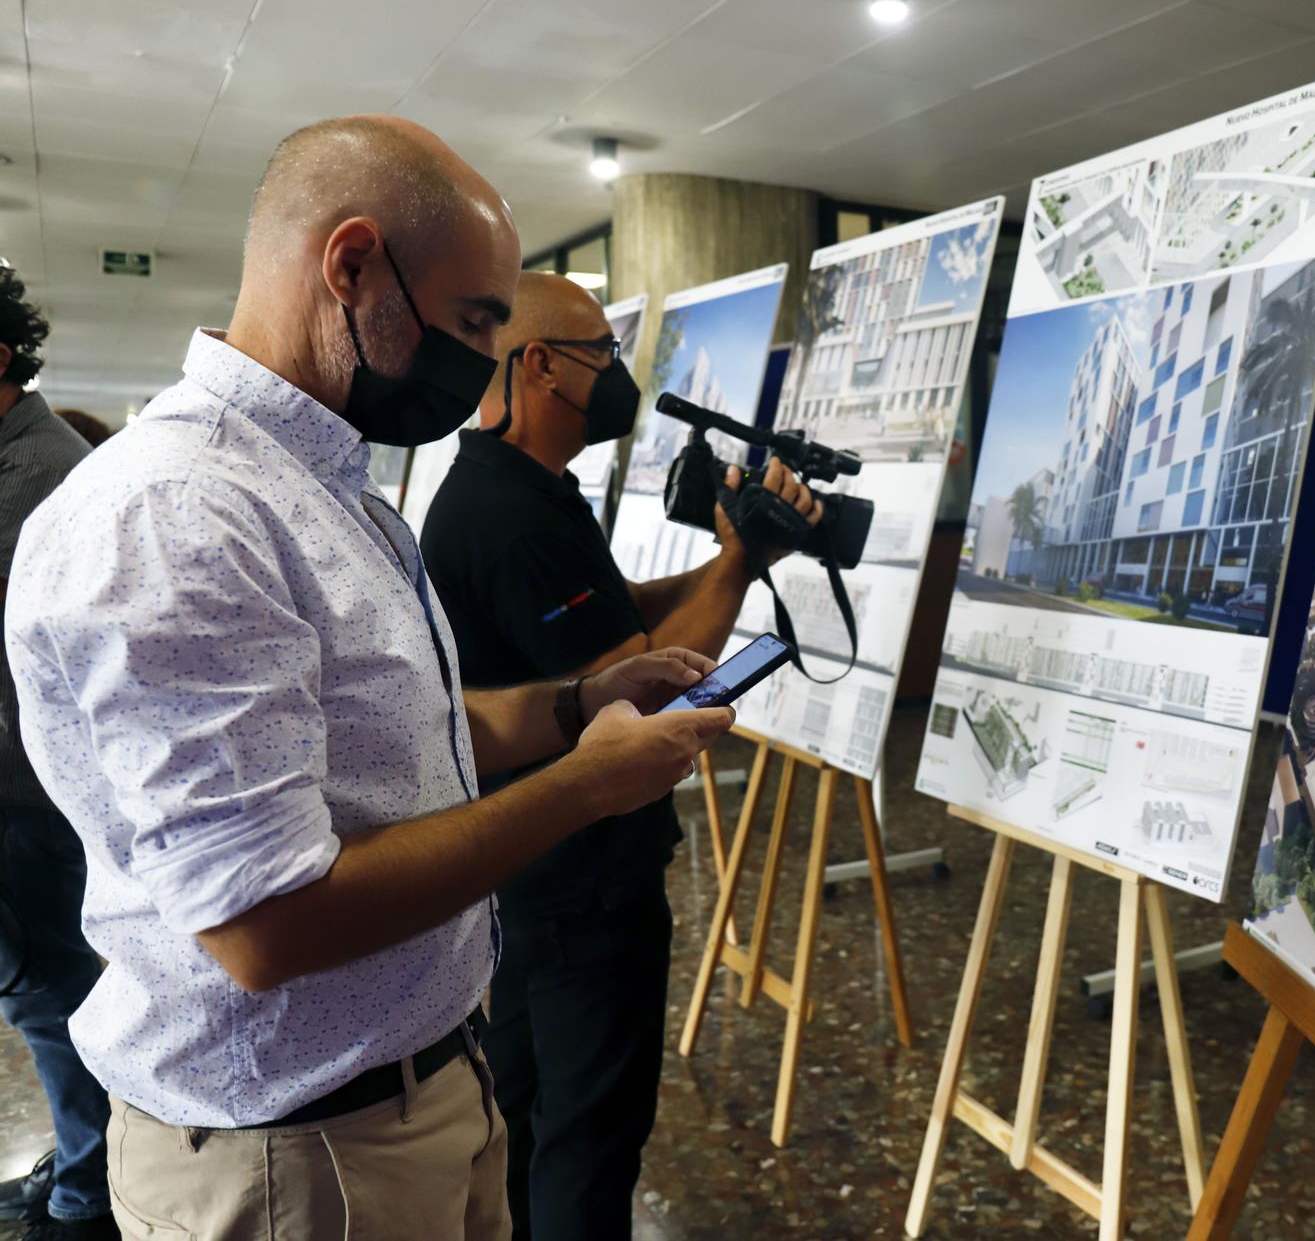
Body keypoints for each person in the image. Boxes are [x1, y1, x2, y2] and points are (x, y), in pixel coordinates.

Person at [3, 115, 735, 1240]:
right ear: (351, 266)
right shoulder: (183, 516)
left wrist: (571, 705)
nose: (490, 359)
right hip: (296, 1158)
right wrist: (585, 785)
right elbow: (266, 925)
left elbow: (405, 734)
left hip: (410, 1095)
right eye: (475, 318)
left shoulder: (327, 487)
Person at [420, 271, 819, 1240]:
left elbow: (615, 611)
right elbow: (638, 690)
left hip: (532, 871)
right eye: (602, 354)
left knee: (523, 1104)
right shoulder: (506, 517)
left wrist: (731, 553)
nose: (617, 376)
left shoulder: (525, 489)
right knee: (591, 1126)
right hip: (576, 880)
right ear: (542, 365)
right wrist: (737, 566)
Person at [0, 266, 112, 1240]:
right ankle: (76, 1171)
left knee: (58, 1007)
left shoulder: (33, 475)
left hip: (35, 811)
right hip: (30, 804)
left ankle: (86, 1200)